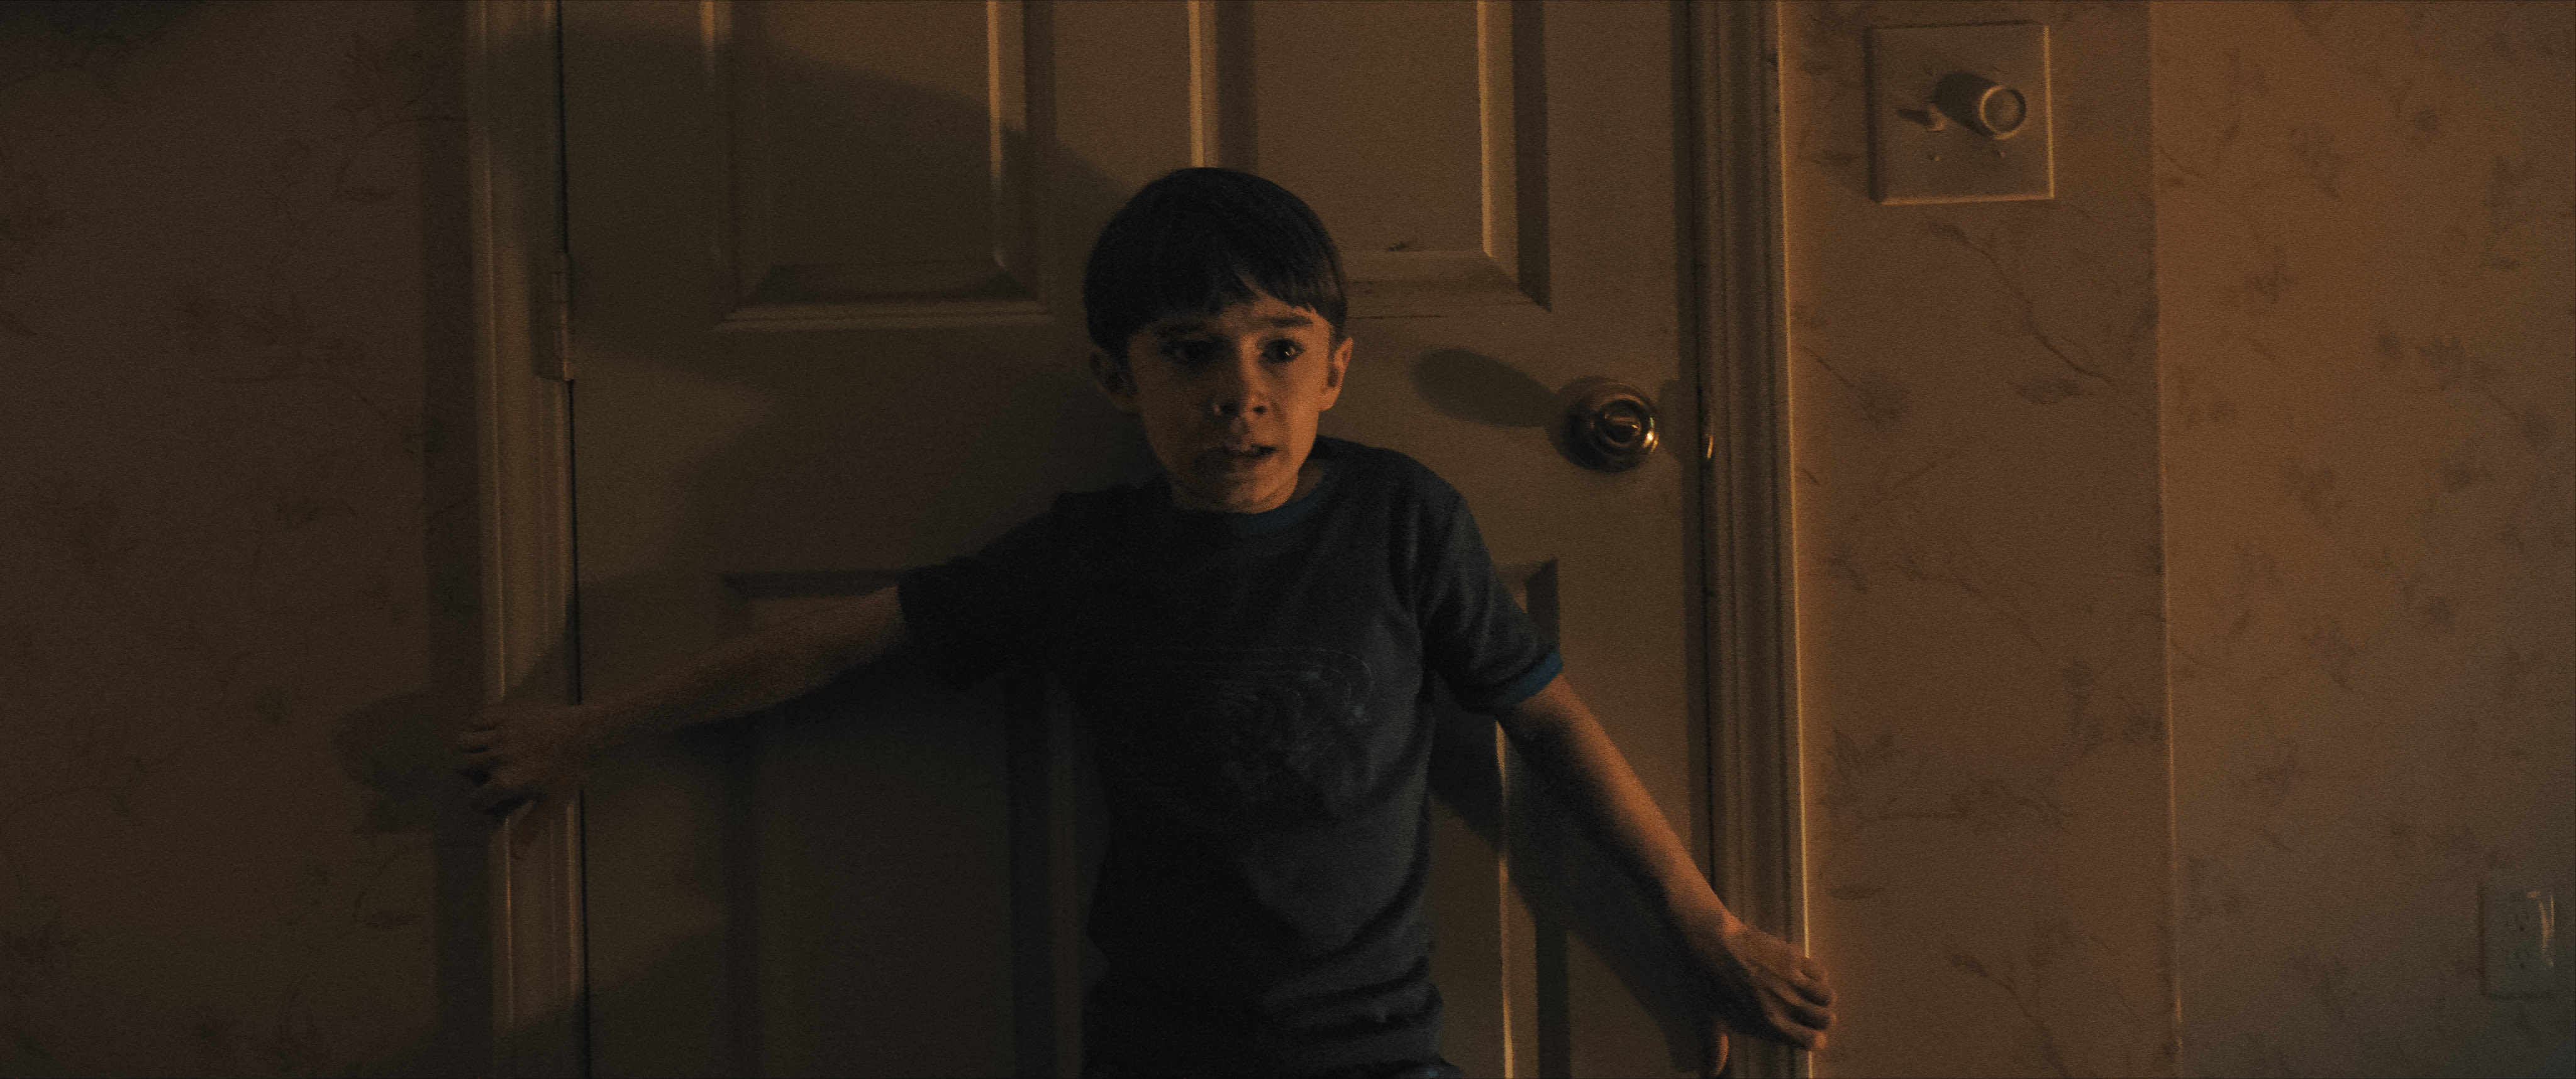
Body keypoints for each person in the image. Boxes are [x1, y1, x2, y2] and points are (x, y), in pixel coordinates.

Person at [457, 167, 1833, 1078]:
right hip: (1162, 1054)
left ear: (1335, 371)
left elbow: (1551, 723)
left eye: (1280, 349)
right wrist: (593, 730)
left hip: (1378, 1054)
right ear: (1118, 379)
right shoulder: (1086, 556)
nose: (1241, 391)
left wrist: (1700, 925)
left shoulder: (1397, 521)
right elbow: (836, 641)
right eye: (1190, 353)